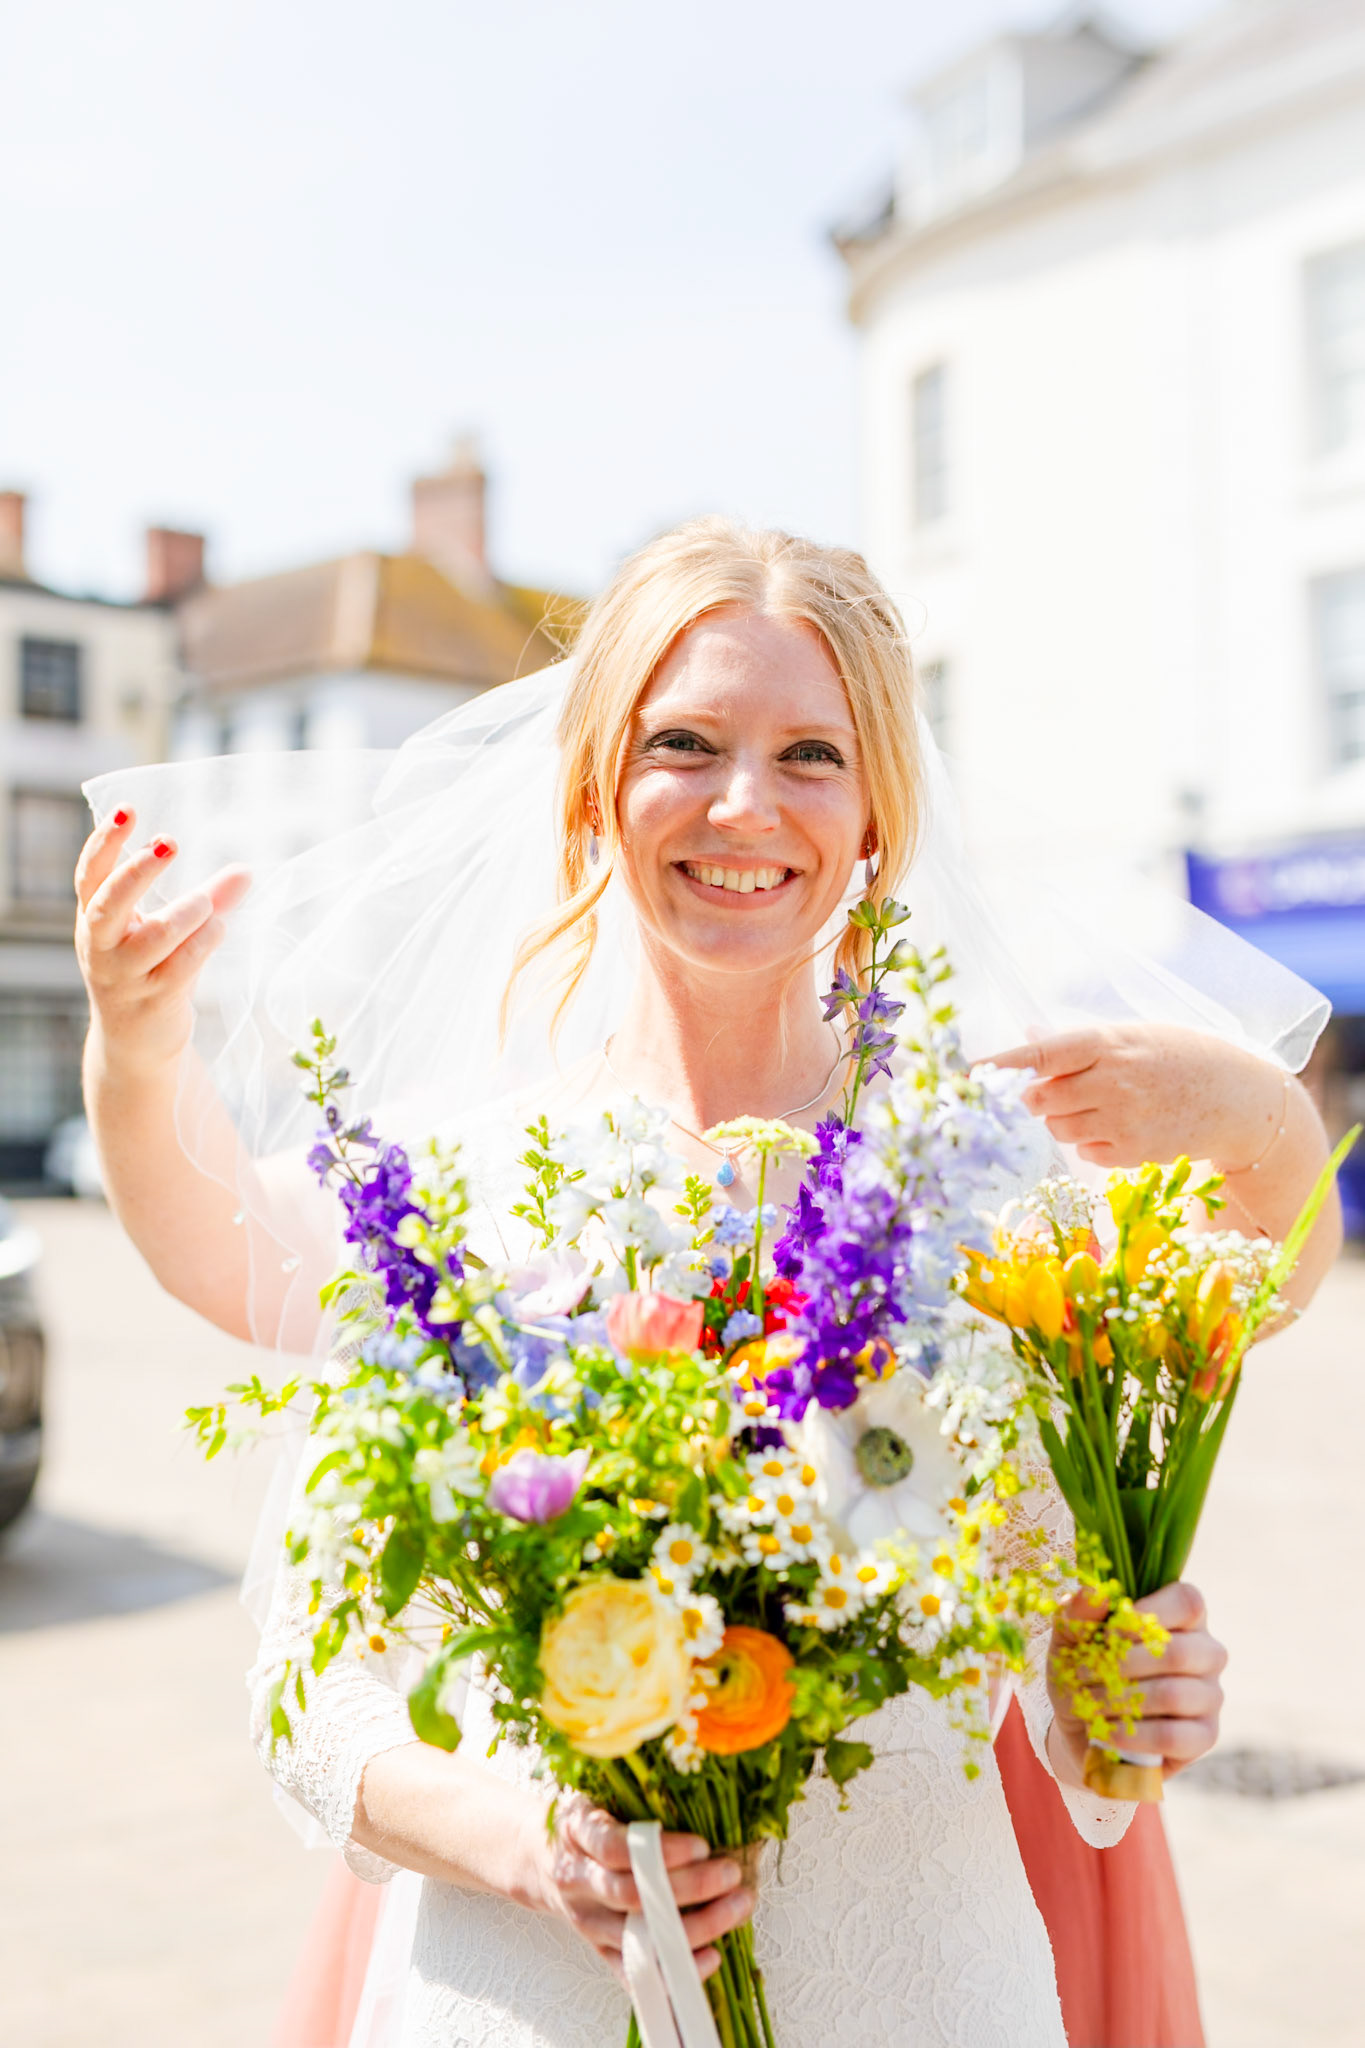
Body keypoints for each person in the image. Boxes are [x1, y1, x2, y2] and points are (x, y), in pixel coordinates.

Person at [75, 521, 1339, 2047]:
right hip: (527, 1994)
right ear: (596, 782)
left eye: (813, 752)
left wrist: (1126, 1695)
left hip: (924, 1990)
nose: (747, 802)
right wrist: (534, 1859)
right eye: (685, 741)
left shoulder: (980, 1192)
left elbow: (1249, 1303)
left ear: (877, 815)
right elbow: (317, 1704)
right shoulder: (456, 1205)